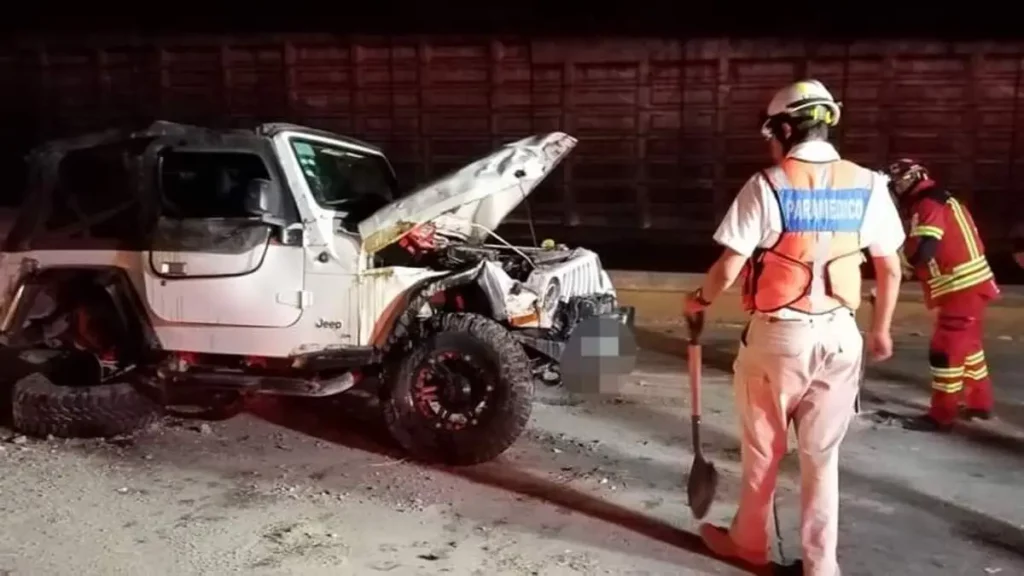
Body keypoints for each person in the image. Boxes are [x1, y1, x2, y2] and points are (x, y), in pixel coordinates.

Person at [683, 79, 904, 576]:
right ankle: (821, 567)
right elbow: (890, 268)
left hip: (780, 337)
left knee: (764, 450)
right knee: (821, 457)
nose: (770, 144)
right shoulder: (869, 184)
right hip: (842, 336)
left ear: (785, 128)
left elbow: (728, 268)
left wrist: (698, 301)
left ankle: (750, 545)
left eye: (771, 134)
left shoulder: (769, 184)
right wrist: (882, 330)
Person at [884, 159, 1000, 432]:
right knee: (970, 349)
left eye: (896, 184)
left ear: (908, 181)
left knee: (944, 352)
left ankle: (942, 414)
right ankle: (979, 404)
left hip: (960, 287)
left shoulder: (927, 204)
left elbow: (926, 248)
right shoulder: (939, 198)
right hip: (970, 286)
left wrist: (900, 263)